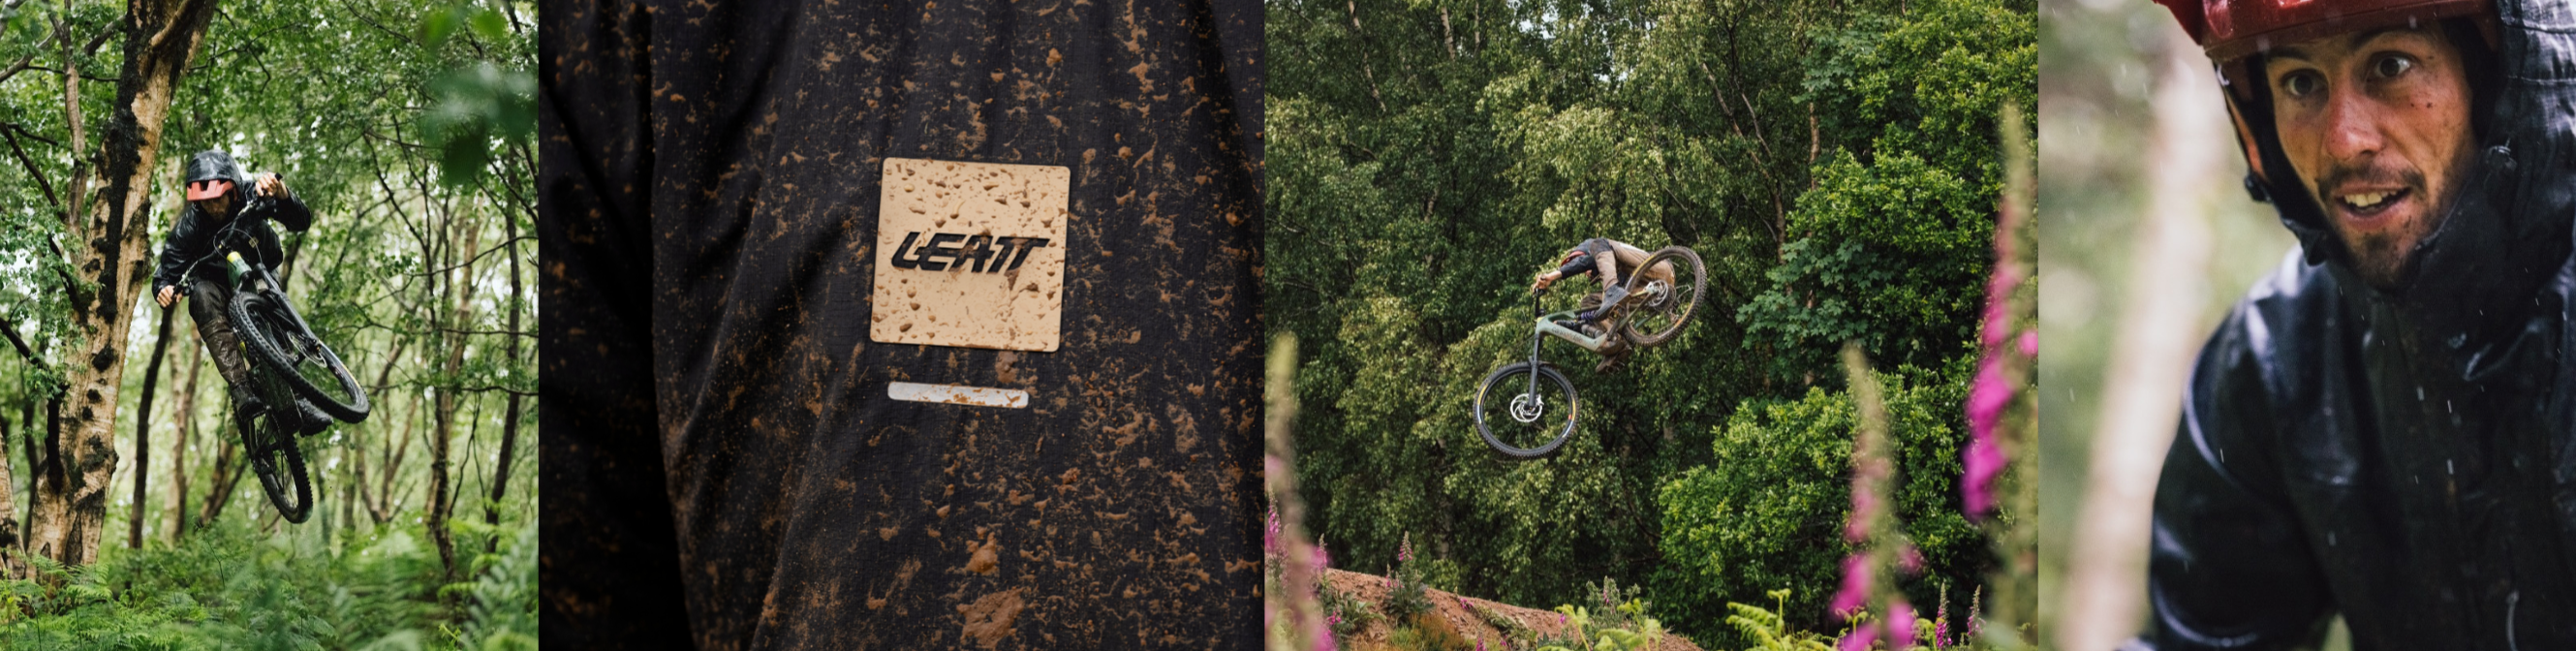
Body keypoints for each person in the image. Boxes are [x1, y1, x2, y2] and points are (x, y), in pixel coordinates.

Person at [2135, 0, 2576, 646]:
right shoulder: (2276, 357)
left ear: (2496, 79)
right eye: (2299, 82)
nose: (2343, 139)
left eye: (2389, 65)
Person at [150, 149, 330, 434]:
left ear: (232, 190)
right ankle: (241, 389)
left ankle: (299, 401)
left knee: (266, 303)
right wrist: (163, 288)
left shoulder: (253, 193)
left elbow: (301, 221)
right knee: (201, 296)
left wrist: (282, 193)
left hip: (259, 268)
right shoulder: (190, 225)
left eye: (217, 199)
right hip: (217, 286)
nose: (212, 207)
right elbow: (168, 270)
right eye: (205, 203)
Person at [1529, 237, 1673, 373]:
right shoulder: (1617, 272)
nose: (1586, 274)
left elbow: (1585, 261)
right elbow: (1592, 315)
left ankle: (1612, 294)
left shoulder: (1600, 247)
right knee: (1591, 302)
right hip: (1649, 292)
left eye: (1586, 269)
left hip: (1658, 267)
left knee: (1600, 248)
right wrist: (1562, 325)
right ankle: (1616, 343)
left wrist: (1552, 276)